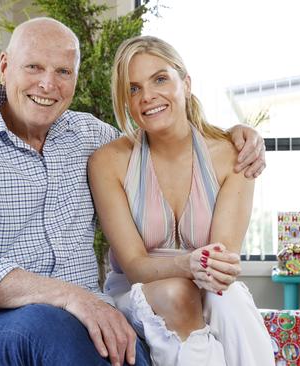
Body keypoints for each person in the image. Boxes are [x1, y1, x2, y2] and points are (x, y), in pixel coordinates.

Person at [0, 17, 266, 366]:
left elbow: (159, 140)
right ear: (5, 67)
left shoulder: (90, 137)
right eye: (34, 67)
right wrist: (70, 297)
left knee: (129, 342)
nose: (47, 84)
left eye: (62, 72)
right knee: (49, 325)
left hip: (83, 312)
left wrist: (239, 135)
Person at [88, 35, 275, 366]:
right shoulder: (108, 162)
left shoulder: (232, 154)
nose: (147, 96)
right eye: (133, 89)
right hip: (140, 290)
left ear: (185, 84)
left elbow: (220, 265)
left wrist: (200, 268)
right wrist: (187, 264)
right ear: (127, 102)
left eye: (160, 79)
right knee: (178, 292)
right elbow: (134, 267)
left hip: (210, 288)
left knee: (227, 299)